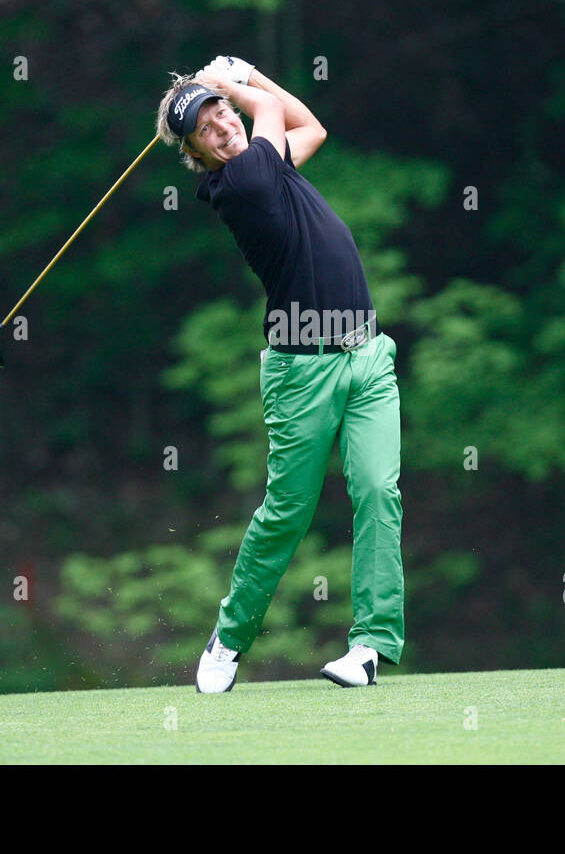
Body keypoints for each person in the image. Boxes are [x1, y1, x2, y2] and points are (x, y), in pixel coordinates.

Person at [155, 55, 405, 691]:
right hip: (301, 371)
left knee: (378, 492)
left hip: (367, 356)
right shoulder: (239, 184)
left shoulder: (263, 160)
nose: (224, 128)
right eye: (208, 128)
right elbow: (270, 114)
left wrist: (246, 76)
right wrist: (231, 81)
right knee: (287, 512)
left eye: (224, 117)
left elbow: (311, 125)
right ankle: (228, 639)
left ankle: (372, 645)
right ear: (196, 154)